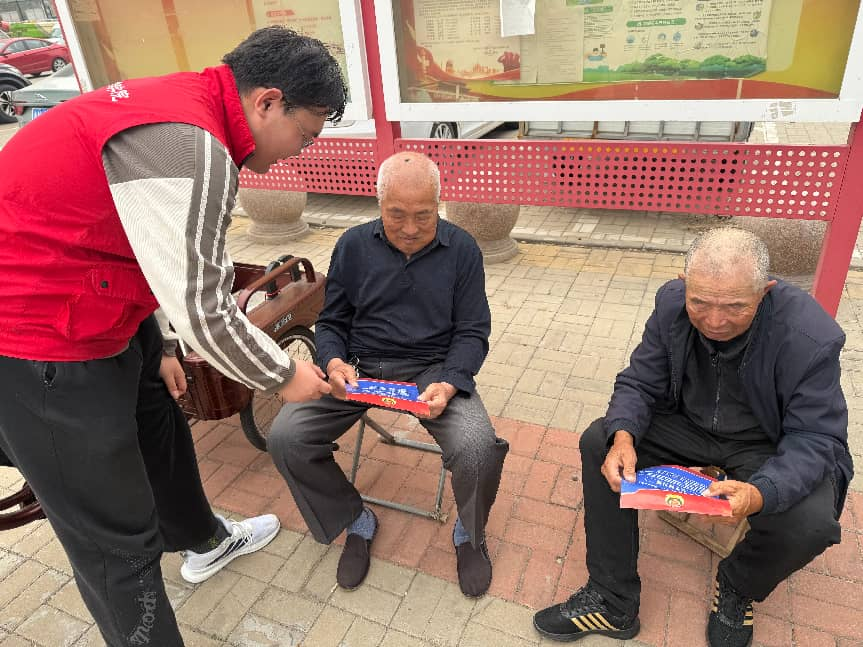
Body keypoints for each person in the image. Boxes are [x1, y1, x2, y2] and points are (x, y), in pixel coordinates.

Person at [0, 27, 344, 646]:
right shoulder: (192, 146)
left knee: (160, 422)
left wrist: (157, 342)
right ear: (268, 102)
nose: (299, 152)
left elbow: (157, 249)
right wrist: (283, 374)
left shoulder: (186, 103)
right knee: (116, 543)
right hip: (38, 340)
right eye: (305, 134)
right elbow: (204, 311)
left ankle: (203, 540)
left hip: (101, 298)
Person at [533, 228, 853, 646]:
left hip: (766, 441)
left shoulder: (810, 335)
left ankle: (738, 586)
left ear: (765, 292)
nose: (715, 321)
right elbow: (640, 381)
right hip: (687, 423)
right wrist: (623, 437)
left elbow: (814, 438)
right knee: (600, 442)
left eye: (735, 306)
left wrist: (761, 493)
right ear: (684, 283)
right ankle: (612, 600)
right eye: (700, 302)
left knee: (811, 525)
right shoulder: (671, 303)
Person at [268, 151, 510, 597]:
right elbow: (333, 320)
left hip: (432, 371)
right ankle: (354, 518)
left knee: (478, 446)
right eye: (397, 214)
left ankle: (469, 533)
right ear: (379, 203)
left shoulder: (462, 250)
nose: (411, 228)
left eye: (424, 215)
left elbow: (473, 331)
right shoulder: (353, 245)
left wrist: (451, 380)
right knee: (286, 437)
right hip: (360, 369)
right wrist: (333, 362)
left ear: (438, 204)